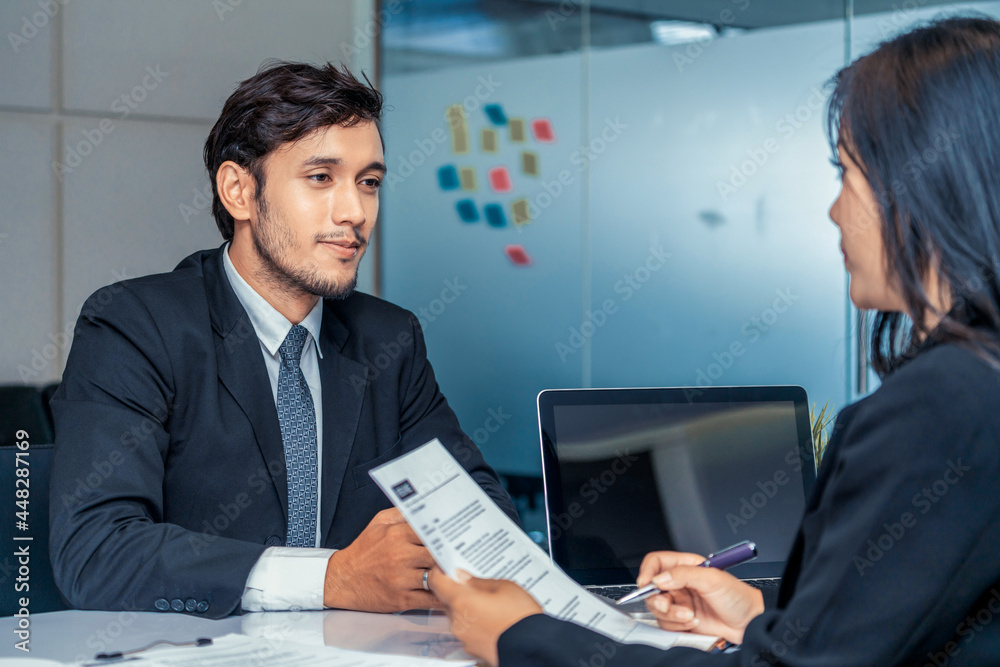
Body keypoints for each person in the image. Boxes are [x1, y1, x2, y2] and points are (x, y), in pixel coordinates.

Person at [427, 16, 1000, 666]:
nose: (834, 210)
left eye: (848, 173)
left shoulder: (946, 400)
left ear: (922, 183)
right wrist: (758, 613)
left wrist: (522, 636)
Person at [49, 62, 518, 620]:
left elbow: (483, 522)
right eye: (321, 177)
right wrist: (331, 578)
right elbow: (96, 551)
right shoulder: (135, 325)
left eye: (368, 182)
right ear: (239, 191)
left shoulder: (389, 339)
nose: (355, 213)